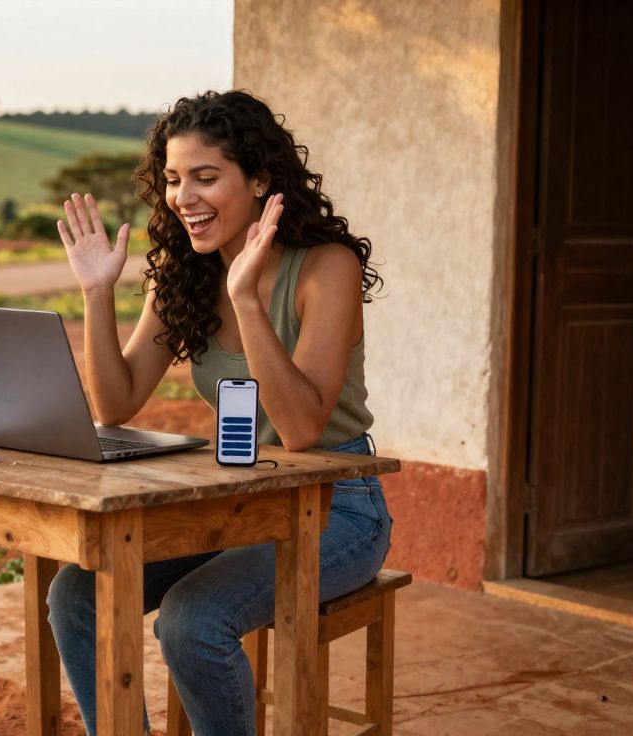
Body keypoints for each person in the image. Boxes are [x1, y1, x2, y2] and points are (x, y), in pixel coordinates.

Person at [48, 90, 390, 736]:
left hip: (338, 505)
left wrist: (248, 302)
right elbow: (116, 403)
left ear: (260, 179)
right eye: (174, 180)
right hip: (238, 502)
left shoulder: (326, 269)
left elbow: (302, 429)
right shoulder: (183, 274)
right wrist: (96, 293)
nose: (184, 198)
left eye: (206, 177)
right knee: (76, 592)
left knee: (191, 618)